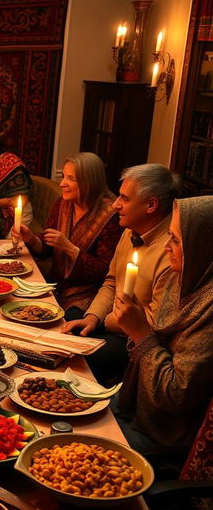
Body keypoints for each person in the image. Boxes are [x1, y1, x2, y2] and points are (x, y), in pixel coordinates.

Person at [113, 196, 213, 462]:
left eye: (177, 241)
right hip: (134, 406)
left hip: (162, 436)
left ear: (204, 247)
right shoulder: (181, 279)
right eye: (169, 236)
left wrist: (141, 333)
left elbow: (175, 395)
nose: (167, 247)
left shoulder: (209, 310)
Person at [61, 164, 180, 385]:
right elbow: (111, 282)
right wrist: (92, 317)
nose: (115, 205)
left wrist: (103, 322)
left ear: (151, 205)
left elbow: (153, 325)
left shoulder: (171, 252)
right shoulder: (129, 231)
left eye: (124, 199)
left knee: (76, 362)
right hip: (109, 323)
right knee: (60, 329)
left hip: (134, 342)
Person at [14, 152, 122, 312]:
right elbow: (47, 246)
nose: (62, 183)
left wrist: (69, 248)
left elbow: (105, 272)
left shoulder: (111, 216)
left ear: (89, 182)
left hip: (87, 295)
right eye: (63, 176)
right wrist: (31, 239)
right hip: (55, 286)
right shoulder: (63, 204)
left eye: (71, 178)